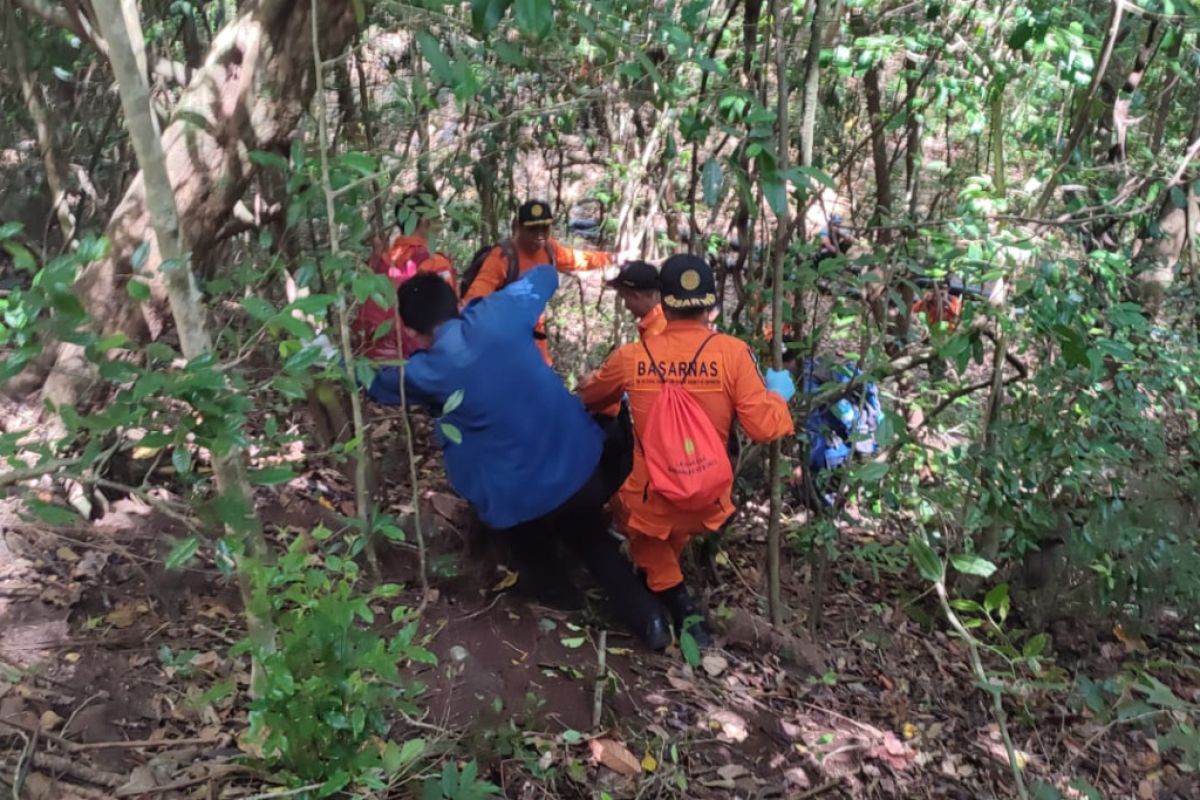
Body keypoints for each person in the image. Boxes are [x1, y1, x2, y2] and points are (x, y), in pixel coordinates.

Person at [367, 267, 671, 649]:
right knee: (588, 535)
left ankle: (558, 595)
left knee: (526, 534)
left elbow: (373, 382)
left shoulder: (428, 370)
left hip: (523, 499)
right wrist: (485, 299)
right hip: (582, 469)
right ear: (454, 303)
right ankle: (649, 619)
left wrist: (329, 358)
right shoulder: (500, 312)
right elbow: (545, 276)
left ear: (412, 332)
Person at [580, 254, 797, 646]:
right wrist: (778, 395)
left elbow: (591, 397)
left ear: (663, 300)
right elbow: (764, 428)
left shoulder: (632, 357)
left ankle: (682, 607)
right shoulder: (733, 354)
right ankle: (661, 584)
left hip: (654, 499)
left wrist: (589, 383)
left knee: (631, 518)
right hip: (709, 499)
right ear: (711, 304)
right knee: (662, 535)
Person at [462, 199, 633, 363]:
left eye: (545, 228)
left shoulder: (550, 250)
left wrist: (612, 258)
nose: (540, 235)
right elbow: (474, 298)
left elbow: (578, 259)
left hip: (534, 339)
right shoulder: (503, 257)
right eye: (533, 229)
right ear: (519, 228)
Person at [353, 192, 456, 362]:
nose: (440, 222)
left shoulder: (382, 260)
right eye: (436, 216)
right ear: (425, 221)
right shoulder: (435, 263)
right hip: (421, 360)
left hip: (376, 359)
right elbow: (446, 321)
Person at [606, 260, 667, 341]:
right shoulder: (670, 315)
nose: (627, 306)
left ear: (636, 296)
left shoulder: (655, 333)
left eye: (625, 298)